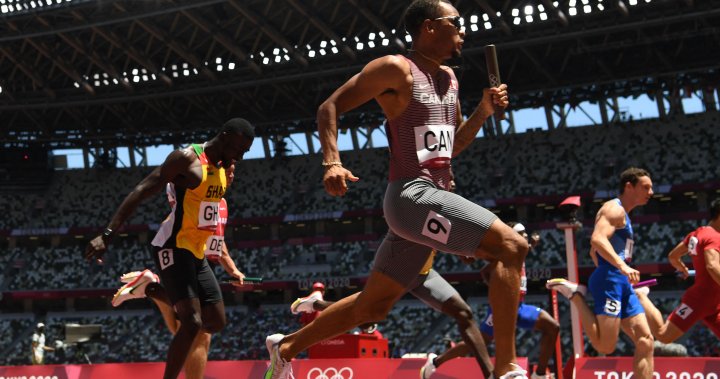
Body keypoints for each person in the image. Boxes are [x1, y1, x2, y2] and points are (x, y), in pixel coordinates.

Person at [265, 1, 528, 378]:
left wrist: (482, 112)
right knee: (513, 246)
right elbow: (330, 107)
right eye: (457, 23)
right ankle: (506, 369)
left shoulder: (450, 80)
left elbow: (451, 147)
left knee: (374, 307)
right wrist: (332, 161)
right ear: (430, 27)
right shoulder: (395, 68)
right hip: (411, 196)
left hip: (432, 199)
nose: (463, 31)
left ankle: (285, 346)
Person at [84, 118, 255, 379]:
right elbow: (142, 189)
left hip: (197, 252)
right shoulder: (186, 159)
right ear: (225, 136)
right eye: (240, 148)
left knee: (214, 322)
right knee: (192, 323)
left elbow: (208, 213)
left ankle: (150, 288)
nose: (242, 156)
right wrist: (107, 234)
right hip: (172, 246)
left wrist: (228, 264)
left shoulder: (225, 166)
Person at [111, 164, 246, 379]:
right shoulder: (203, 194)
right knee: (198, 330)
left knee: (190, 329)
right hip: (184, 258)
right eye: (227, 170)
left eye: (233, 171)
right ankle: (151, 289)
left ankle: (152, 289)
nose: (231, 175)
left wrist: (233, 270)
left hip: (197, 260)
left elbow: (218, 242)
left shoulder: (221, 203)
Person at [292, 249, 495, 378]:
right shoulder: (419, 197)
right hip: (400, 271)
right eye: (448, 180)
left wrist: (465, 248)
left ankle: (492, 375)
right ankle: (316, 303)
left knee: (464, 313)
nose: (451, 183)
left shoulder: (448, 206)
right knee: (363, 317)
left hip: (425, 274)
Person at [546, 167, 655, 379]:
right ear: (629, 186)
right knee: (606, 345)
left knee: (646, 340)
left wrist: (611, 265)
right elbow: (597, 239)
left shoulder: (624, 214)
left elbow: (594, 248)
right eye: (646, 187)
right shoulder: (614, 209)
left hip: (619, 281)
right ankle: (575, 296)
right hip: (611, 279)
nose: (651, 192)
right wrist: (621, 266)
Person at [423, 223, 558, 379]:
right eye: (521, 234)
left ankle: (539, 374)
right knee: (480, 342)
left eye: (526, 235)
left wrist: (532, 242)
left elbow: (526, 245)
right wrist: (498, 290)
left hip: (519, 306)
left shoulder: (521, 249)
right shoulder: (505, 253)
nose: (525, 237)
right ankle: (435, 361)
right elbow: (484, 271)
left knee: (552, 327)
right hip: (502, 307)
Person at [634, 198, 720, 342]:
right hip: (699, 301)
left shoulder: (697, 234)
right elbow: (712, 266)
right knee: (663, 335)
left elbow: (673, 256)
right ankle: (641, 295)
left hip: (714, 302)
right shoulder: (715, 238)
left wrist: (682, 267)